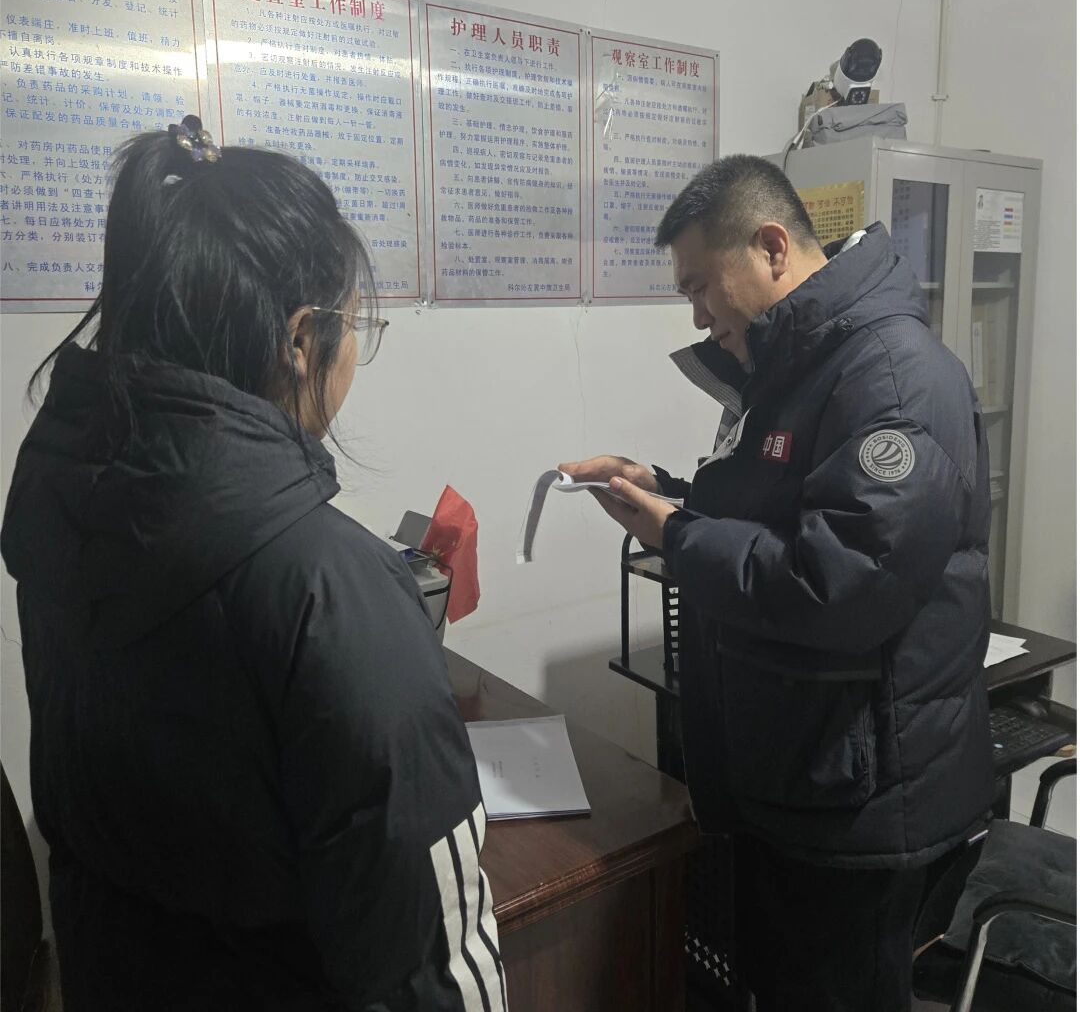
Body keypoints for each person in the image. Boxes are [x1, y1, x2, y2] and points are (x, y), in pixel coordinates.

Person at [1, 117, 506, 1011]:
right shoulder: (334, 591)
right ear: (302, 339)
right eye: (357, 325)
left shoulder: (68, 512)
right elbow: (425, 962)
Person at [560, 155, 993, 1012]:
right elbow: (774, 510)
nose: (697, 315)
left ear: (770, 248)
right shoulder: (801, 365)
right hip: (804, 775)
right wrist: (665, 494)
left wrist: (677, 535)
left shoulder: (893, 378)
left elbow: (840, 584)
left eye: (700, 287)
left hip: (862, 802)